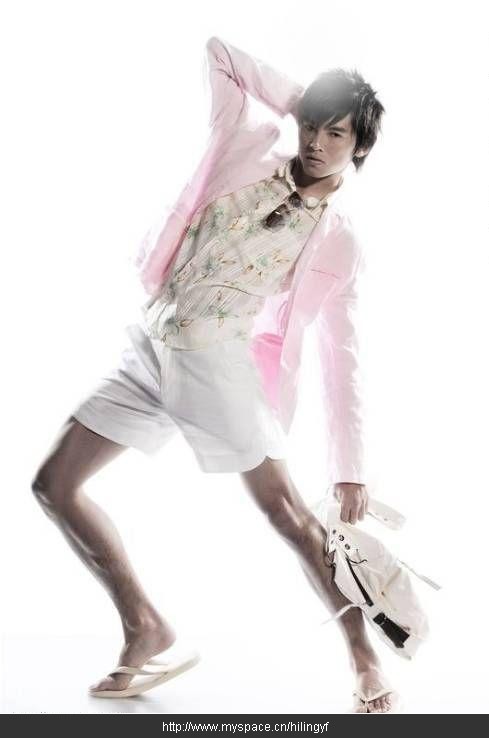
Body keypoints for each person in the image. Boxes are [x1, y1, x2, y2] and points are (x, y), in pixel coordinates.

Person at [31, 36, 394, 712]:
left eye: (336, 133)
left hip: (218, 364)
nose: (316, 142)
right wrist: (310, 102)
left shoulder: (338, 239)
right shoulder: (247, 146)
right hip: (152, 346)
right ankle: (145, 626)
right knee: (53, 484)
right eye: (312, 125)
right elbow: (221, 54)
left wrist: (349, 468)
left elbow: (340, 357)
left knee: (287, 515)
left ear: (360, 146)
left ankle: (364, 658)